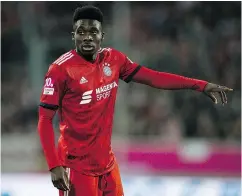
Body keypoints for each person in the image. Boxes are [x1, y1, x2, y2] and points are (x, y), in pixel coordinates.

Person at [37, 5, 233, 196]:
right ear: (73, 36)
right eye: (81, 31)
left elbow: (154, 77)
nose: (87, 36)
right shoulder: (60, 70)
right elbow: (45, 120)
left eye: (93, 31)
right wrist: (54, 166)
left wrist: (200, 85)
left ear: (101, 36)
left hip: (107, 165)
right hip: (76, 167)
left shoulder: (114, 59)